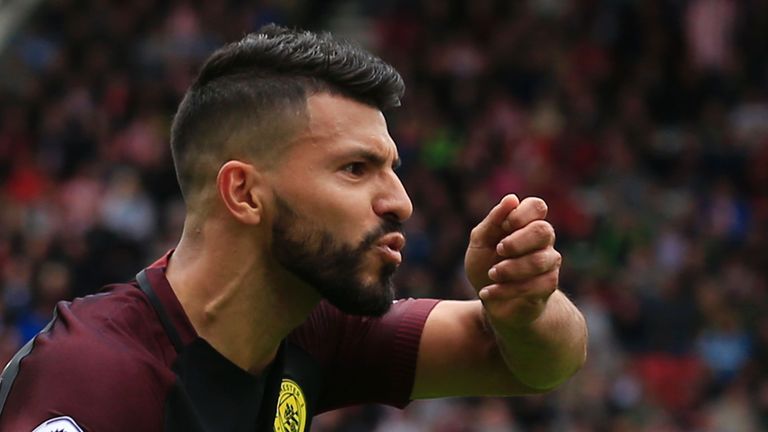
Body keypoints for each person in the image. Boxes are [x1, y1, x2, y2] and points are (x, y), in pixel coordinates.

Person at [0, 25, 587, 432]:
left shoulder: (314, 329)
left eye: (393, 169)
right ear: (245, 193)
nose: (401, 202)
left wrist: (525, 310)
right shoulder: (92, 382)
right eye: (356, 169)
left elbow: (528, 361)